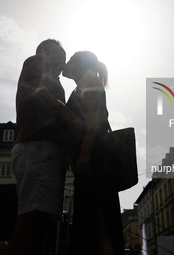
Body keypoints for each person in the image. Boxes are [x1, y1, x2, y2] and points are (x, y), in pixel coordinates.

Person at [7, 39, 80, 255]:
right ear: (46, 51)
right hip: (38, 148)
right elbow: (31, 86)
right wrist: (67, 113)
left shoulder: (54, 78)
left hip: (45, 151)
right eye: (61, 53)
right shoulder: (37, 61)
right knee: (33, 218)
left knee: (42, 222)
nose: (64, 59)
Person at [62, 51, 124, 255]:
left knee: (96, 215)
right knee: (96, 215)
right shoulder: (83, 82)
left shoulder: (88, 77)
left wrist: (85, 154)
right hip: (92, 158)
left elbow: (93, 119)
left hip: (94, 158)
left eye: (69, 60)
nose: (65, 63)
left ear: (78, 63)